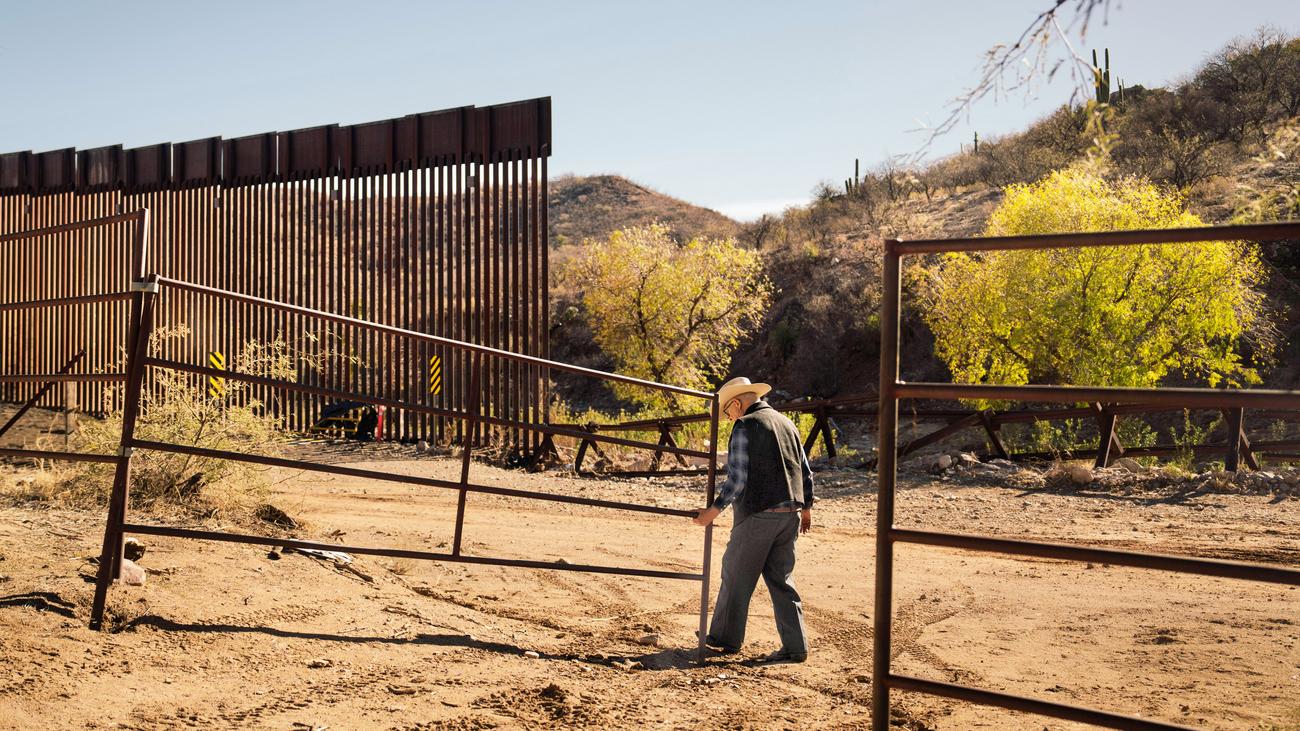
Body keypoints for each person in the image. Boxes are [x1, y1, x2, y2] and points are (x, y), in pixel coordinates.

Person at [694, 376, 814, 663]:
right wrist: (806, 507)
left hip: (760, 513)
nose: (728, 417)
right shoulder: (787, 424)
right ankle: (796, 647)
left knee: (735, 573)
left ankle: (724, 638)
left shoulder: (745, 425)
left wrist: (713, 510)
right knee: (781, 580)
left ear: (737, 403)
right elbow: (805, 470)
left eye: (728, 411)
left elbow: (738, 478)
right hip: (791, 514)